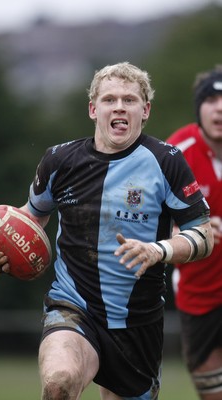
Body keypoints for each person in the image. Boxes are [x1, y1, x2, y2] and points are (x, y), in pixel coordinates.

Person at [0, 62, 213, 400]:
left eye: (129, 100)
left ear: (145, 111)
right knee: (59, 382)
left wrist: (159, 250)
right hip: (73, 306)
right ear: (92, 109)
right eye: (109, 99)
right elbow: (30, 219)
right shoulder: (59, 161)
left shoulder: (167, 161)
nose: (119, 107)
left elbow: (203, 234)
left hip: (137, 323)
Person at [167, 65, 222, 400]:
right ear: (199, 107)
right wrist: (190, 230)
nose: (220, 108)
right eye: (212, 99)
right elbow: (150, 220)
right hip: (198, 294)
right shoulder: (177, 152)